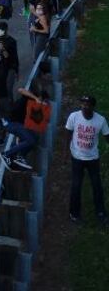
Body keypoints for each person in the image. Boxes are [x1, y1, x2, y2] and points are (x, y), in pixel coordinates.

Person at [65, 94, 109, 223]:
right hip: (77, 157)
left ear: (92, 107)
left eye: (87, 104)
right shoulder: (74, 117)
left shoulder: (100, 120)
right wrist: (66, 153)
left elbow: (107, 135)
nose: (84, 107)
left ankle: (100, 213)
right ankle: (74, 213)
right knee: (76, 185)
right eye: (82, 104)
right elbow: (68, 133)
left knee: (97, 185)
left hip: (93, 159)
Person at [0, 88, 52, 171]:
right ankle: (6, 154)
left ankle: (19, 157)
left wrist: (20, 136)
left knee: (34, 137)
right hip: (8, 121)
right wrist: (36, 98)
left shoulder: (34, 107)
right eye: (44, 101)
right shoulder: (29, 97)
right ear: (40, 98)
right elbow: (20, 90)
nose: (43, 104)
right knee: (30, 140)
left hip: (17, 124)